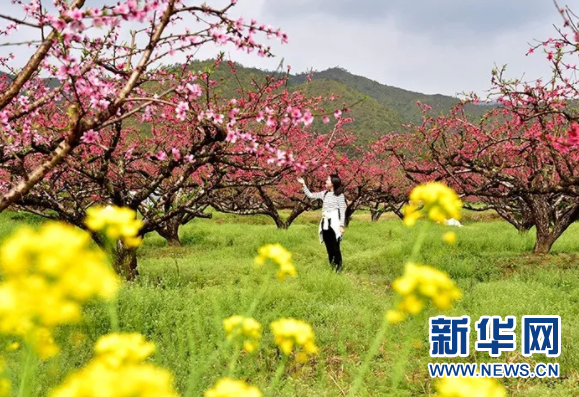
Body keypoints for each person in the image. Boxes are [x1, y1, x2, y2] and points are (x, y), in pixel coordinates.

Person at [297, 174, 347, 273]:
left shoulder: (340, 196)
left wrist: (341, 226)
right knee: (328, 247)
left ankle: (339, 267)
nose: (326, 181)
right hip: (325, 223)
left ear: (333, 183)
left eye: (328, 180)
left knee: (335, 247)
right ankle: (332, 266)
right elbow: (311, 195)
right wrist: (303, 185)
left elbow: (342, 211)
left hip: (334, 223)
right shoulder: (324, 194)